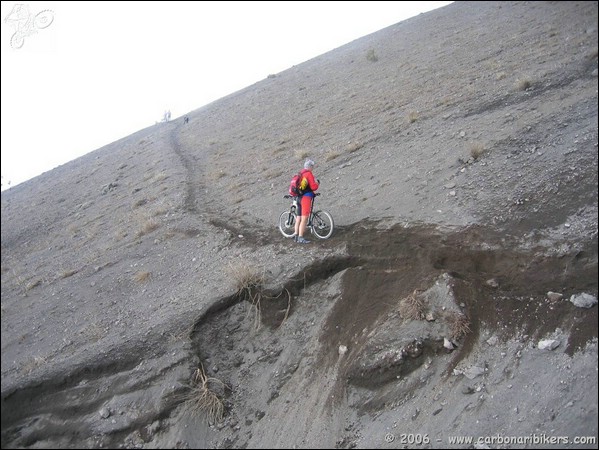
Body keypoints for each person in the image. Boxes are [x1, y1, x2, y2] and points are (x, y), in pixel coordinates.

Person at [293, 159, 319, 244]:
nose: (313, 168)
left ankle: (296, 236)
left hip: (298, 198)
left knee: (298, 218)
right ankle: (301, 237)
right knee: (304, 218)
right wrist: (317, 184)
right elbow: (313, 187)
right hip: (306, 198)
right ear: (310, 167)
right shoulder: (308, 174)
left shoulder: (300, 173)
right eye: (312, 166)